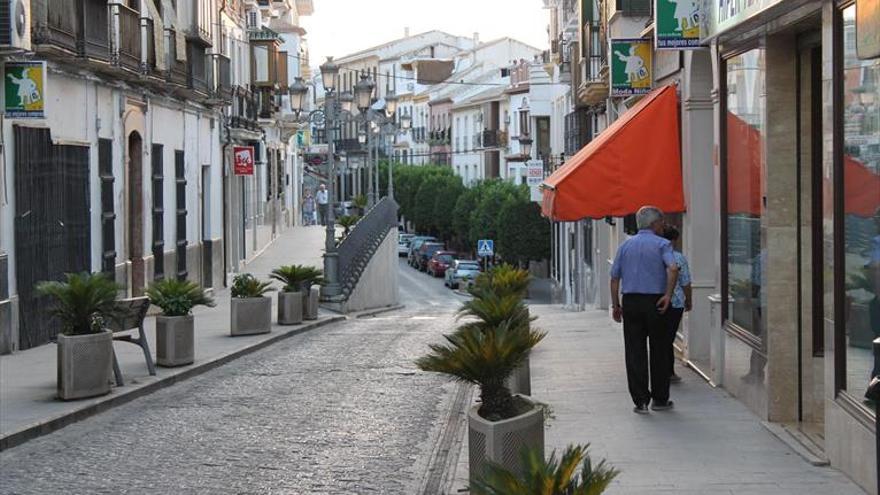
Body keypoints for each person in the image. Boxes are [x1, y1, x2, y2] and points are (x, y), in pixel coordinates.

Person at [610, 206, 679, 414]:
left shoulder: (625, 246)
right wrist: (668, 294)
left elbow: (614, 278)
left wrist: (616, 305)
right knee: (659, 349)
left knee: (634, 350)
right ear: (654, 224)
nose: (663, 226)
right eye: (661, 223)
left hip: (631, 301)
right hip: (656, 302)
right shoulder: (663, 244)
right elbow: (673, 268)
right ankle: (660, 399)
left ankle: (640, 401)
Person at [661, 225, 692, 383]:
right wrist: (689, 300)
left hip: (658, 301)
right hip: (676, 302)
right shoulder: (679, 258)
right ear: (673, 240)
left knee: (661, 337)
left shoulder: (656, 255)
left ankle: (663, 369)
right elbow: (686, 282)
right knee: (669, 337)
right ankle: (669, 371)